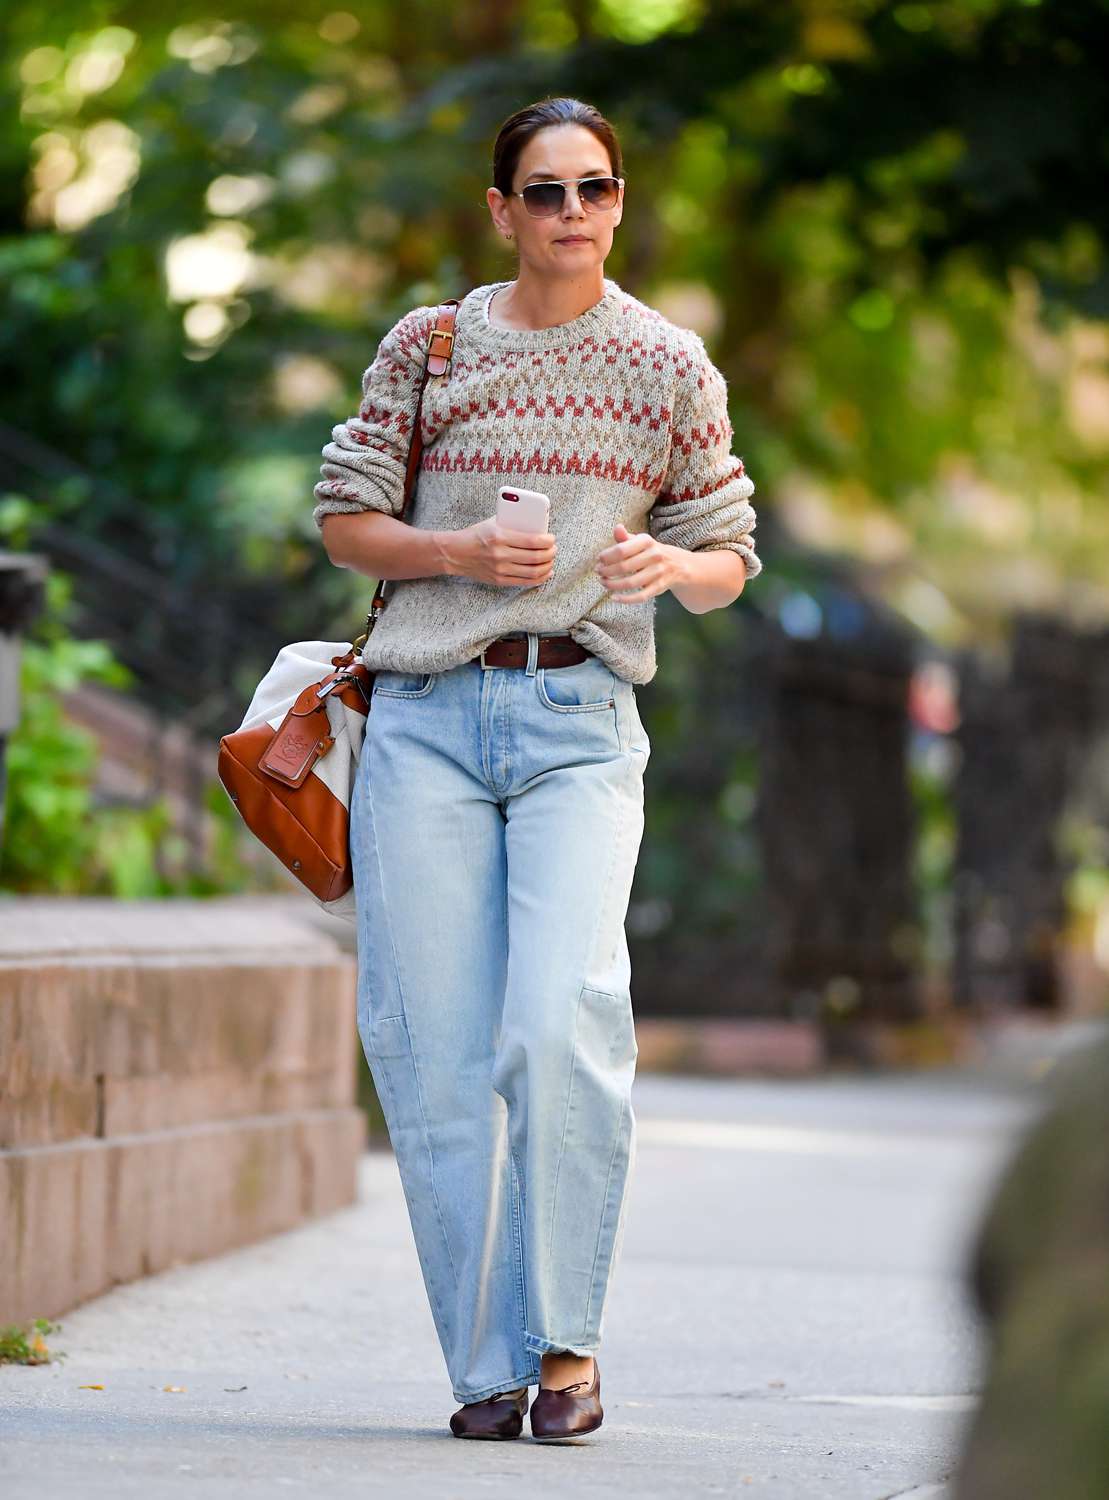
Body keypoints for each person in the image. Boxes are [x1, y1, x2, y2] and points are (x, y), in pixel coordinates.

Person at [313, 95, 763, 1443]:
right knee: (431, 1054)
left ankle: (565, 1348)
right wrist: (454, 554)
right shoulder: (430, 345)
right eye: (546, 191)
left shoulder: (667, 364)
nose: (573, 213)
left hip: (577, 725)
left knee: (556, 1023)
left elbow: (727, 553)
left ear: (619, 205)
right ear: (500, 209)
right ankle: (485, 1368)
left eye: (596, 189)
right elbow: (345, 524)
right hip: (428, 724)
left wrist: (668, 565)